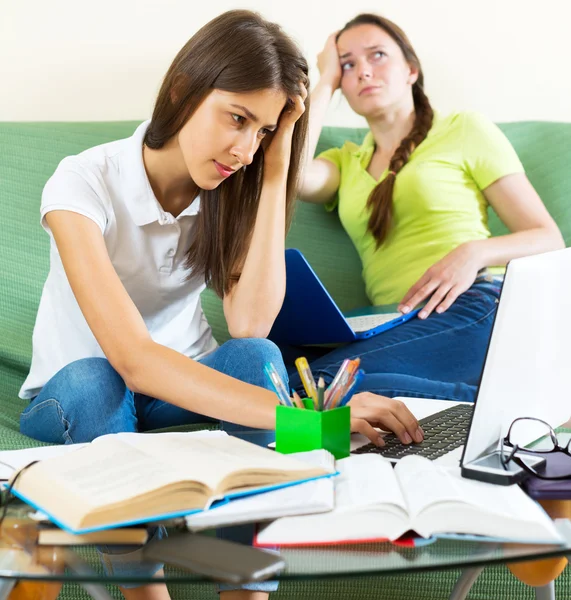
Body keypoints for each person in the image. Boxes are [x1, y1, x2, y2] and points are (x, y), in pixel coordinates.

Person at [17, 10, 421, 600]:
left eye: (261, 131)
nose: (243, 147)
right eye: (237, 118)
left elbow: (250, 323)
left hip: (179, 389)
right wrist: (300, 420)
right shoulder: (81, 183)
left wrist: (278, 161)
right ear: (183, 90)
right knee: (94, 381)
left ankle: (245, 587)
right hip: (78, 391)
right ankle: (145, 590)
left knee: (258, 352)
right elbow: (133, 360)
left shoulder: (234, 187)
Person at [292, 13, 564, 406]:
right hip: (389, 323)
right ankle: (495, 401)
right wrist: (326, 79)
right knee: (290, 378)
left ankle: (515, 407)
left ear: (411, 71)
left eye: (377, 56)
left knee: (313, 390)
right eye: (349, 64)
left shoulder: (463, 129)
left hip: (472, 304)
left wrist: (473, 252)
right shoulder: (345, 161)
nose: (364, 72)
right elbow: (292, 175)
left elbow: (548, 238)